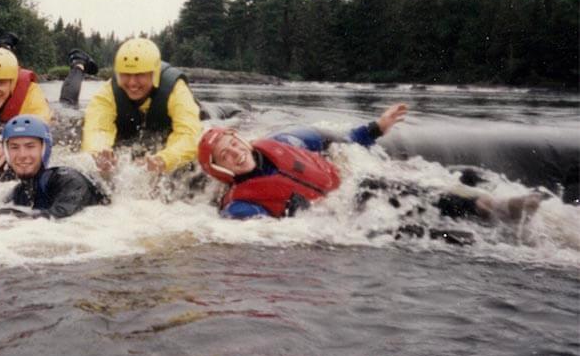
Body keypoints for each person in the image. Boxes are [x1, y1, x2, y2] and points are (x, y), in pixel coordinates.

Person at [198, 104, 544, 232]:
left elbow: (344, 140)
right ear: (220, 171)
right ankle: (486, 217)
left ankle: (492, 206)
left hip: (351, 192)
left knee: (405, 186)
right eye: (224, 157)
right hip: (341, 222)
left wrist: (378, 127)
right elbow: (252, 237)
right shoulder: (241, 205)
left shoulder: (287, 142)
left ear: (242, 139)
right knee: (388, 207)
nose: (234, 153)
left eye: (233, 144)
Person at [81, 38, 202, 177]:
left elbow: (189, 134)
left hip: (193, 116)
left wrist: (164, 160)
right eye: (126, 74)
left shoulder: (177, 90)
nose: (132, 83)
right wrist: (99, 153)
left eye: (140, 75)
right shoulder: (107, 93)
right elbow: (97, 129)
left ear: (154, 73)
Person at [0, 114, 109, 218]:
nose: (22, 155)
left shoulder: (70, 181)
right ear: (6, 152)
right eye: (14, 147)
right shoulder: (18, 193)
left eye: (30, 146)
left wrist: (12, 216)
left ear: (44, 149)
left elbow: (62, 219)